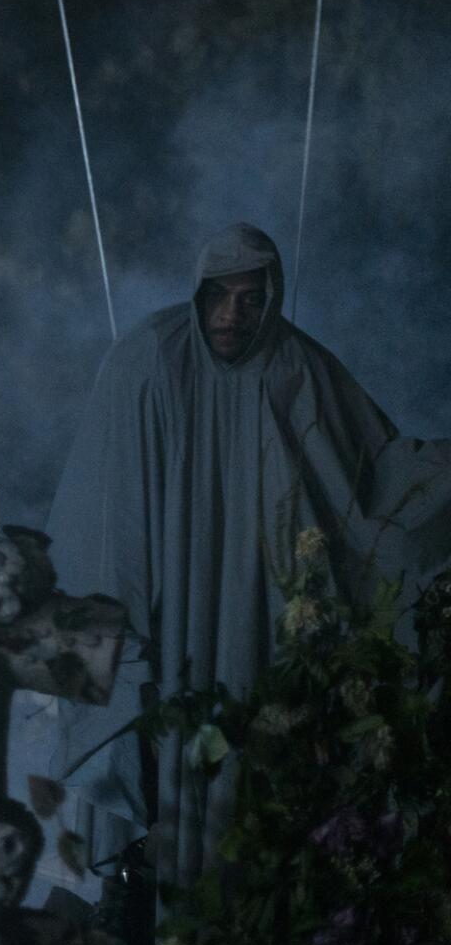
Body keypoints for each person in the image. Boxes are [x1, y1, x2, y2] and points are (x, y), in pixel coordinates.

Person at [45, 222, 451, 891]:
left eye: (251, 298)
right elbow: (108, 510)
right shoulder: (148, 358)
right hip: (169, 616)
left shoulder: (300, 369)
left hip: (259, 623)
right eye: (221, 296)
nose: (233, 314)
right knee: (169, 768)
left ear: (271, 298)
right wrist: (119, 636)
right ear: (199, 292)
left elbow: (369, 474)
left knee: (257, 773)